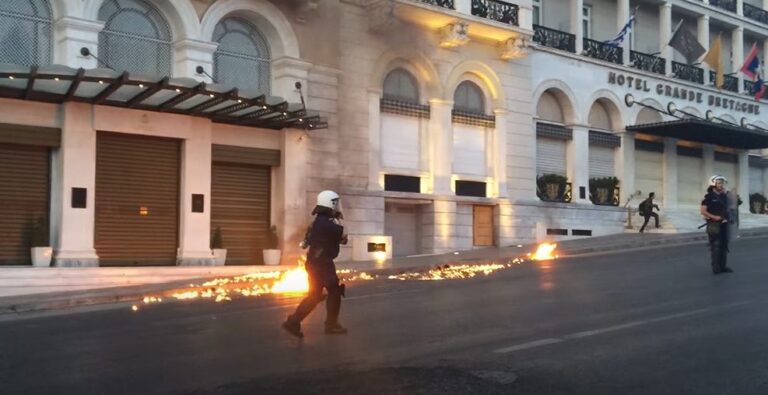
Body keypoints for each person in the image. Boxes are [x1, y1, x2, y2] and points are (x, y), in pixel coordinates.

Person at [282, 190, 348, 338]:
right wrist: (338, 221)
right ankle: (331, 325)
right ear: (330, 204)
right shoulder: (328, 224)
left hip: (315, 262)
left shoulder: (318, 221)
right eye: (335, 203)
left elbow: (307, 241)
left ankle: (293, 322)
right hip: (322, 263)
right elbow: (344, 237)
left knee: (315, 295)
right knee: (334, 291)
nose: (338, 207)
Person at [701, 175, 732, 274]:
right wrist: (714, 217)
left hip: (724, 224)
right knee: (716, 246)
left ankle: (723, 266)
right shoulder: (709, 197)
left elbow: (732, 206)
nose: (721, 185)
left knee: (724, 245)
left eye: (722, 183)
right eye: (719, 183)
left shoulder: (724, 196)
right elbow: (703, 211)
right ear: (713, 184)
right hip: (713, 224)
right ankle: (716, 268)